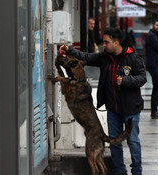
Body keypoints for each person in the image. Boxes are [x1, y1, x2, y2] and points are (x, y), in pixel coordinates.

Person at [59, 28, 146, 175]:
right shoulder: (105, 57)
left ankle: (137, 171)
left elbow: (142, 78)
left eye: (107, 42)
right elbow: (86, 56)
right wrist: (69, 50)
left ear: (116, 42)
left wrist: (126, 80)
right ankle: (120, 171)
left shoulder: (133, 58)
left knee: (133, 141)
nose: (104, 45)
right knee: (115, 143)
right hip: (113, 109)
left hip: (131, 108)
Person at [145, 19, 158, 119]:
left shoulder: (155, 36)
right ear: (153, 25)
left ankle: (154, 111)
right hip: (154, 65)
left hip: (156, 64)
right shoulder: (152, 36)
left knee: (157, 88)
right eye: (157, 25)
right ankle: (154, 110)